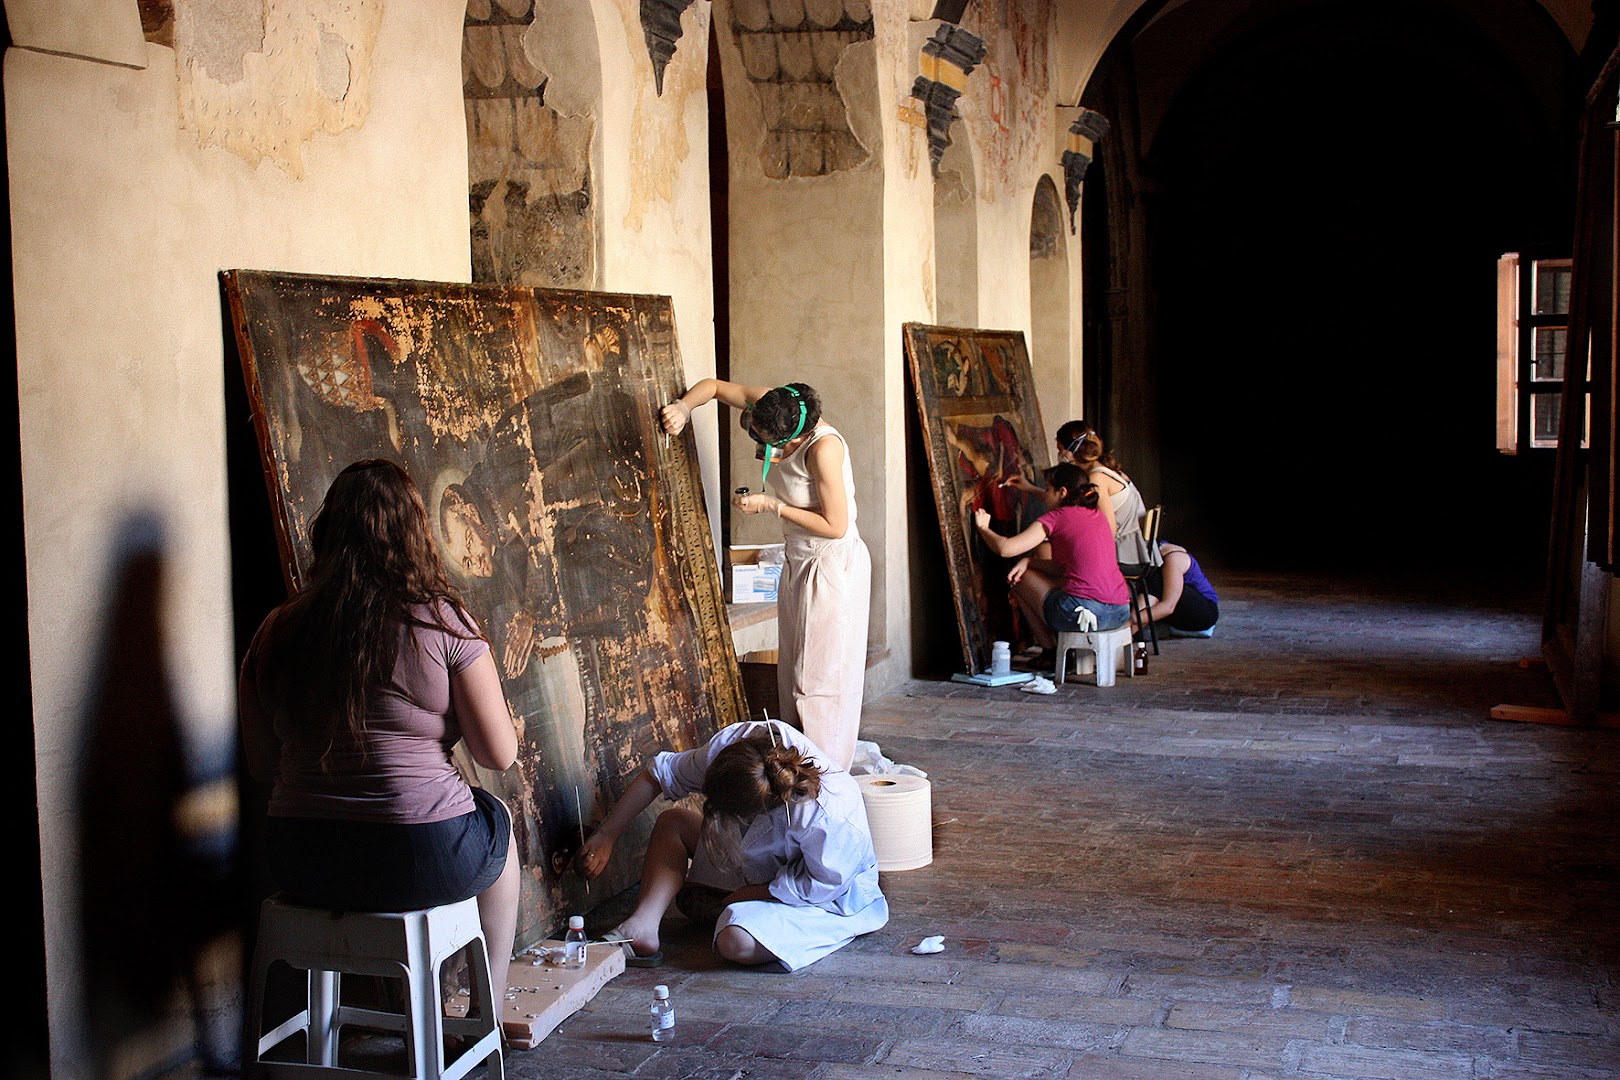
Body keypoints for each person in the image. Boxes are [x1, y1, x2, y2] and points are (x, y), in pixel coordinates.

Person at [238, 459, 521, 1013]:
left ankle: (403, 1004)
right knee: (499, 829)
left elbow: (261, 765)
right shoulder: (440, 622)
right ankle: (486, 1012)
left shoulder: (275, 630)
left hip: (299, 858)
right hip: (414, 856)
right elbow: (500, 753)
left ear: (327, 534)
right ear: (417, 534)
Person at [661, 379, 870, 769]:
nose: (761, 452)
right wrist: (685, 407)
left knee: (818, 681)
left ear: (793, 437)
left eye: (768, 445)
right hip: (798, 555)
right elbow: (714, 387)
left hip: (830, 564)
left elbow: (836, 525)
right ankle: (793, 770)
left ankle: (824, 777)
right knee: (791, 673)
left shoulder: (823, 449)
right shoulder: (775, 404)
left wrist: (771, 506)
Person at [578, 719, 887, 972]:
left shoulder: (831, 812)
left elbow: (821, 884)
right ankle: (642, 926)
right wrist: (607, 834)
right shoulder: (734, 749)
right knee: (673, 823)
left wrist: (751, 894)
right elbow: (660, 775)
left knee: (735, 941)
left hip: (825, 893)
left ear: (761, 810)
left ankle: (745, 914)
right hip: (760, 861)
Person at [974, 463, 1131, 652]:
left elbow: (1006, 548)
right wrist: (1030, 561)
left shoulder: (1057, 517)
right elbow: (1064, 569)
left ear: (1062, 492)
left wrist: (983, 528)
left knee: (1020, 579)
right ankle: (1057, 651)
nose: (1045, 494)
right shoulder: (1097, 515)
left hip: (1087, 614)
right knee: (1039, 574)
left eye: (1048, 489)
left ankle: (1049, 651)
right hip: (1121, 611)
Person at [1054, 420, 1159, 573]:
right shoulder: (1103, 470)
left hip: (1124, 555)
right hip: (1129, 550)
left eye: (1061, 449)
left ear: (1073, 449)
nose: (1060, 455)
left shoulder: (1097, 478)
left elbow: (1109, 529)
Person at [1133, 541, 1219, 636]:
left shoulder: (1174, 558)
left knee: (1158, 582)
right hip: (1169, 613)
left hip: (1203, 614)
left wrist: (1130, 620)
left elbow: (1168, 607)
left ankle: (1129, 630)